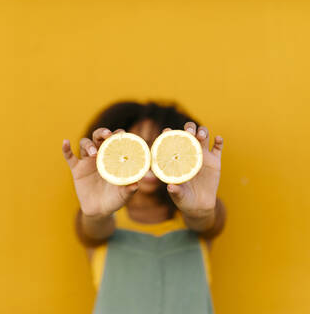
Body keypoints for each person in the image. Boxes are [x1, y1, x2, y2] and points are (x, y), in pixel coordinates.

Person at [62, 101, 226, 314]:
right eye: (140, 146)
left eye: (159, 146)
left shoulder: (195, 211)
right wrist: (95, 214)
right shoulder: (103, 216)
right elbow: (92, 230)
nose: (150, 157)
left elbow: (208, 224)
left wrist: (201, 211)